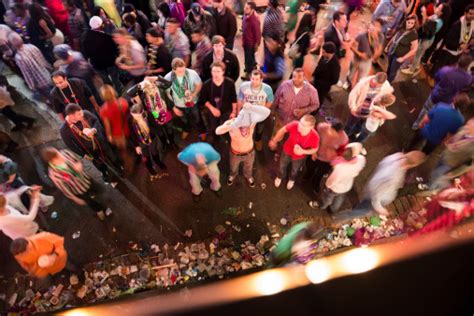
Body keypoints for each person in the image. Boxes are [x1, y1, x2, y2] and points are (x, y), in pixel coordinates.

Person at [42, 147, 112, 220]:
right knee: (90, 202)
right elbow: (64, 188)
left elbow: (77, 159)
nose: (60, 156)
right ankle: (99, 210)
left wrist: (79, 164)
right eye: (57, 157)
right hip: (78, 190)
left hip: (86, 180)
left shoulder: (65, 153)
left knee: (101, 189)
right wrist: (75, 198)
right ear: (52, 161)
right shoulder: (54, 174)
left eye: (58, 153)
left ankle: (100, 200)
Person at [216, 102, 270, 187]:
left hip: (250, 153)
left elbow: (267, 112)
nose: (245, 129)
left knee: (249, 167)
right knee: (233, 168)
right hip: (235, 154)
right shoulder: (232, 123)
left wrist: (252, 107)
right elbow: (218, 131)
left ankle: (249, 176)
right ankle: (232, 175)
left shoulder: (252, 122)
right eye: (242, 125)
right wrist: (231, 125)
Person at [412, 54, 473, 130]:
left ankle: (416, 125)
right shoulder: (468, 78)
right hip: (448, 100)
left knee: (426, 109)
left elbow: (436, 77)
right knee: (437, 114)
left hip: (436, 96)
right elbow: (465, 87)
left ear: (458, 61)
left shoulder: (446, 70)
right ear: (467, 66)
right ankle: (428, 127)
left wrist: (437, 87)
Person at [60, 104, 119, 180]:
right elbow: (70, 145)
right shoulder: (64, 130)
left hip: (100, 141)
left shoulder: (85, 113)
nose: (82, 115)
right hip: (90, 151)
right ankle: (105, 173)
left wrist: (94, 129)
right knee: (99, 164)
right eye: (79, 114)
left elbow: (96, 120)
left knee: (111, 155)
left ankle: (118, 167)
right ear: (71, 116)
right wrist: (83, 154)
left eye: (81, 112)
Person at [309, 143, 366, 213]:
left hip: (335, 188)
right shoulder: (360, 160)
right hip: (347, 185)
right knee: (339, 197)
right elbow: (357, 145)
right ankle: (333, 210)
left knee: (327, 198)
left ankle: (322, 205)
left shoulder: (340, 168)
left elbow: (332, 181)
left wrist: (326, 186)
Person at [364, 151, 425, 216]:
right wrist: (381, 210)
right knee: (364, 209)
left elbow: (381, 164)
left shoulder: (397, 155)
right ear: (413, 165)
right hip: (375, 196)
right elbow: (376, 196)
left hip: (373, 184)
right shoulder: (395, 177)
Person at [269, 115, 320, 190]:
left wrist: (303, 151)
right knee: (282, 165)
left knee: (295, 169)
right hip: (287, 150)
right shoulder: (295, 124)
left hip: (300, 156)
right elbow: (283, 130)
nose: (299, 126)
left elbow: (315, 149)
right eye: (300, 122)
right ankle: (280, 177)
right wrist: (274, 140)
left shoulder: (315, 136)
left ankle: (291, 179)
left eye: (303, 125)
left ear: (311, 127)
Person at [402, 3, 449, 76]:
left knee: (418, 54)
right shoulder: (436, 16)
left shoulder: (439, 22)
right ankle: (416, 65)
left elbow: (426, 27)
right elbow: (428, 20)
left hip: (427, 41)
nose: (436, 8)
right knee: (419, 54)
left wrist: (424, 15)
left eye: (438, 8)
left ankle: (412, 70)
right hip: (425, 38)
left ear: (442, 12)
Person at [345, 72, 394, 140]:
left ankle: (355, 132)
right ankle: (346, 133)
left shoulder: (386, 85)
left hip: (370, 109)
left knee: (361, 122)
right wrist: (353, 107)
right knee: (351, 122)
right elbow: (353, 94)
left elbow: (386, 94)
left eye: (378, 85)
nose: (375, 86)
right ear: (374, 77)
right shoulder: (363, 83)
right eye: (374, 83)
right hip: (358, 107)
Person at [304, 118, 348, 193]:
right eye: (330, 129)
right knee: (310, 166)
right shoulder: (321, 127)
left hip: (327, 160)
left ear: (339, 132)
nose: (330, 133)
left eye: (333, 132)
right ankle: (307, 176)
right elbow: (313, 136)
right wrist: (312, 151)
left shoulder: (344, 139)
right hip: (315, 153)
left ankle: (315, 183)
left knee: (320, 173)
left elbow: (342, 150)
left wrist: (335, 156)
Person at [430, 118, 474, 191]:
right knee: (435, 171)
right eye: (469, 122)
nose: (467, 125)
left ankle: (433, 189)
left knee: (438, 176)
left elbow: (467, 166)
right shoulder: (464, 129)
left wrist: (454, 173)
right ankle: (430, 183)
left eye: (471, 125)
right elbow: (455, 137)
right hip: (445, 155)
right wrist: (449, 142)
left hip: (450, 165)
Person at [164, 58, 203, 140]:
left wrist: (193, 94)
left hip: (193, 102)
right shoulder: (167, 78)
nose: (182, 73)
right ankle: (187, 130)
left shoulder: (192, 73)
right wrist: (173, 107)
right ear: (173, 70)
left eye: (183, 70)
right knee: (184, 120)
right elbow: (167, 94)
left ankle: (201, 131)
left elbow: (199, 84)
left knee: (197, 117)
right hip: (178, 104)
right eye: (179, 72)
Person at [430, 4, 474, 77]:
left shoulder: (472, 24)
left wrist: (468, 42)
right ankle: (431, 77)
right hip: (449, 51)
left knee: (447, 69)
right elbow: (448, 40)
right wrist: (460, 45)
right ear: (465, 13)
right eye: (470, 13)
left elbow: (467, 36)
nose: (472, 16)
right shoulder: (457, 25)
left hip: (458, 52)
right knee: (439, 66)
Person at [132, 76, 175, 149]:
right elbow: (129, 93)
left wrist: (157, 78)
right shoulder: (143, 95)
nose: (150, 85)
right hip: (153, 117)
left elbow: (169, 83)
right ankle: (165, 145)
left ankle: (172, 143)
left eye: (151, 82)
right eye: (147, 84)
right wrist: (139, 84)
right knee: (160, 132)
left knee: (169, 129)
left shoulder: (160, 88)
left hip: (165, 113)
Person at [81, 16, 122, 92]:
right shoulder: (107, 37)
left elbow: (86, 54)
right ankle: (119, 90)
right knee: (115, 78)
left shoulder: (85, 38)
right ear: (100, 25)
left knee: (105, 80)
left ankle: (111, 92)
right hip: (110, 62)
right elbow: (115, 49)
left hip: (97, 65)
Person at [273, 68, 320, 133]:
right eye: (294, 76)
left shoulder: (312, 91)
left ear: (304, 77)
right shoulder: (284, 85)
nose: (296, 79)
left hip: (297, 123)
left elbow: (316, 105)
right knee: (278, 136)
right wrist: (273, 112)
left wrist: (304, 110)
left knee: (291, 140)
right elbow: (276, 98)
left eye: (299, 77)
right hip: (280, 119)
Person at [199, 61, 237, 141]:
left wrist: (233, 112)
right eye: (213, 71)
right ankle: (216, 141)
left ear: (223, 72)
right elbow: (203, 99)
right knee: (214, 129)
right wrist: (212, 109)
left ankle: (227, 141)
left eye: (218, 71)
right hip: (213, 110)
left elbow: (234, 98)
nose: (215, 74)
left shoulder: (230, 83)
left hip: (227, 110)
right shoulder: (207, 84)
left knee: (226, 128)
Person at [237, 69, 274, 151]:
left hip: (259, 114)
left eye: (257, 79)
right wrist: (238, 112)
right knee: (245, 128)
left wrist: (263, 110)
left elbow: (270, 101)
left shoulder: (267, 89)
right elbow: (240, 99)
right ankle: (246, 144)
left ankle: (258, 141)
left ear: (261, 79)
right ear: (250, 78)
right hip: (247, 113)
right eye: (252, 79)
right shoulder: (244, 86)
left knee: (259, 129)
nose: (254, 81)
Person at [128, 103, 167, 180]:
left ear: (142, 113)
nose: (135, 118)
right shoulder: (130, 120)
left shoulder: (149, 115)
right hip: (140, 142)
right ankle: (150, 169)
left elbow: (157, 127)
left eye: (137, 116)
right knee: (146, 157)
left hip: (152, 139)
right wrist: (136, 146)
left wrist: (150, 130)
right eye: (133, 116)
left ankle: (158, 162)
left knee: (155, 152)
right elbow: (132, 134)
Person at [341, 19, 384, 89]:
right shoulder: (362, 35)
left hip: (367, 62)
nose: (374, 27)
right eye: (374, 25)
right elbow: (351, 45)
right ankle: (347, 82)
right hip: (357, 59)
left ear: (380, 29)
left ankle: (357, 88)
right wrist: (360, 54)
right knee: (351, 73)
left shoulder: (381, 37)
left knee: (361, 79)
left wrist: (374, 57)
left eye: (377, 26)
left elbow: (379, 50)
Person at [100, 85, 133, 173]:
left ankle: (129, 166)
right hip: (128, 128)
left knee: (123, 150)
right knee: (132, 142)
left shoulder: (103, 110)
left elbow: (107, 126)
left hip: (117, 134)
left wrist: (109, 136)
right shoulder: (123, 102)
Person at [385, 14, 419, 82]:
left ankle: (388, 83)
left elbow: (414, 49)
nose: (409, 24)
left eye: (412, 23)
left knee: (392, 71)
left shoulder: (413, 35)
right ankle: (385, 81)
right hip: (392, 51)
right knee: (388, 67)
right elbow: (395, 37)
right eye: (408, 22)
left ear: (415, 24)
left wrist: (403, 58)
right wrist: (388, 46)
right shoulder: (402, 27)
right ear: (406, 21)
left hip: (399, 56)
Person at [241, 1, 261, 80]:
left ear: (252, 10)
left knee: (249, 58)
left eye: (247, 8)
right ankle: (249, 68)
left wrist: (256, 44)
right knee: (248, 57)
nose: (245, 9)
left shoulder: (254, 20)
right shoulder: (245, 16)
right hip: (245, 41)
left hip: (250, 43)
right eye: (245, 7)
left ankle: (248, 74)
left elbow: (258, 34)